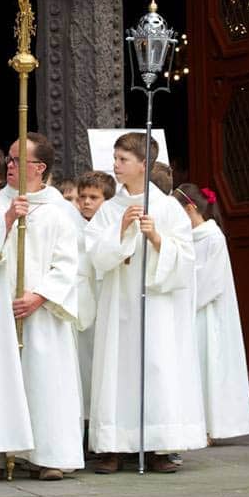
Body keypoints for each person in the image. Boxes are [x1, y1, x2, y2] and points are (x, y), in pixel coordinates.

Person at [0, 133, 84, 482]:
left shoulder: (59, 209)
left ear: (39, 168)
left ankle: (47, 455)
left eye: (17, 160)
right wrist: (9, 218)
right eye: (9, 159)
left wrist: (40, 295)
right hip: (0, 308)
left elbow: (69, 263)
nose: (9, 166)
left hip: (41, 311)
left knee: (44, 381)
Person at [84, 132, 206, 474]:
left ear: (144, 165)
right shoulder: (110, 210)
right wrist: (120, 231)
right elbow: (93, 253)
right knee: (116, 368)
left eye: (123, 159)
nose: (116, 165)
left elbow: (185, 259)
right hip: (120, 304)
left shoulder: (167, 208)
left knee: (156, 366)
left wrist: (156, 239)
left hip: (156, 307)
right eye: (116, 158)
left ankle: (158, 445)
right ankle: (113, 446)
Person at [172, 184, 249, 443]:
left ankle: (210, 425)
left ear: (190, 208)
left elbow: (211, 280)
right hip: (189, 306)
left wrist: (183, 296)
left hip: (204, 311)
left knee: (206, 362)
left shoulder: (212, 237)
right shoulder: (186, 237)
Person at [74, 171, 116, 421]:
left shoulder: (113, 225)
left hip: (106, 295)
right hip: (82, 299)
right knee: (84, 363)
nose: (86, 202)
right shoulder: (72, 225)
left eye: (93, 197)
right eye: (82, 197)